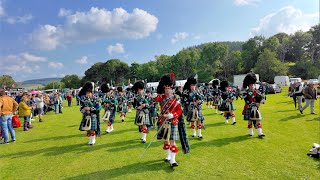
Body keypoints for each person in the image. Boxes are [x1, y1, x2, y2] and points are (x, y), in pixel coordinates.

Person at [153, 73, 190, 167]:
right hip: (163, 121)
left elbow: (180, 110)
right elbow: (155, 99)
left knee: (172, 140)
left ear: (172, 87)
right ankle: (168, 155)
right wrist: (153, 95)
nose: (166, 89)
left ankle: (173, 160)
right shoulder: (161, 97)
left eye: (168, 87)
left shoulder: (176, 98)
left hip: (173, 121)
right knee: (166, 140)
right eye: (165, 88)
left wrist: (173, 115)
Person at [242, 73, 265, 137]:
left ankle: (260, 133)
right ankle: (251, 132)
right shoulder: (245, 93)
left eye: (252, 85)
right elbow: (247, 100)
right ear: (248, 85)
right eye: (250, 85)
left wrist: (259, 103)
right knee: (250, 121)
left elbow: (262, 99)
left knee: (258, 120)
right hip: (249, 108)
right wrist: (254, 103)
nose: (251, 86)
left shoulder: (257, 92)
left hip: (256, 108)